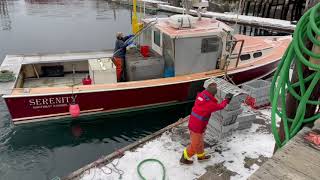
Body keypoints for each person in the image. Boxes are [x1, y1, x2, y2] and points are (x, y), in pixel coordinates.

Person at [180, 82, 233, 165]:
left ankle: (201, 157)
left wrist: (213, 85)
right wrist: (227, 99)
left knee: (200, 142)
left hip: (195, 123)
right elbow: (220, 106)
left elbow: (210, 90)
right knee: (195, 145)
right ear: (213, 94)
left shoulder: (201, 96)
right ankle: (184, 158)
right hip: (196, 128)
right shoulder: (209, 105)